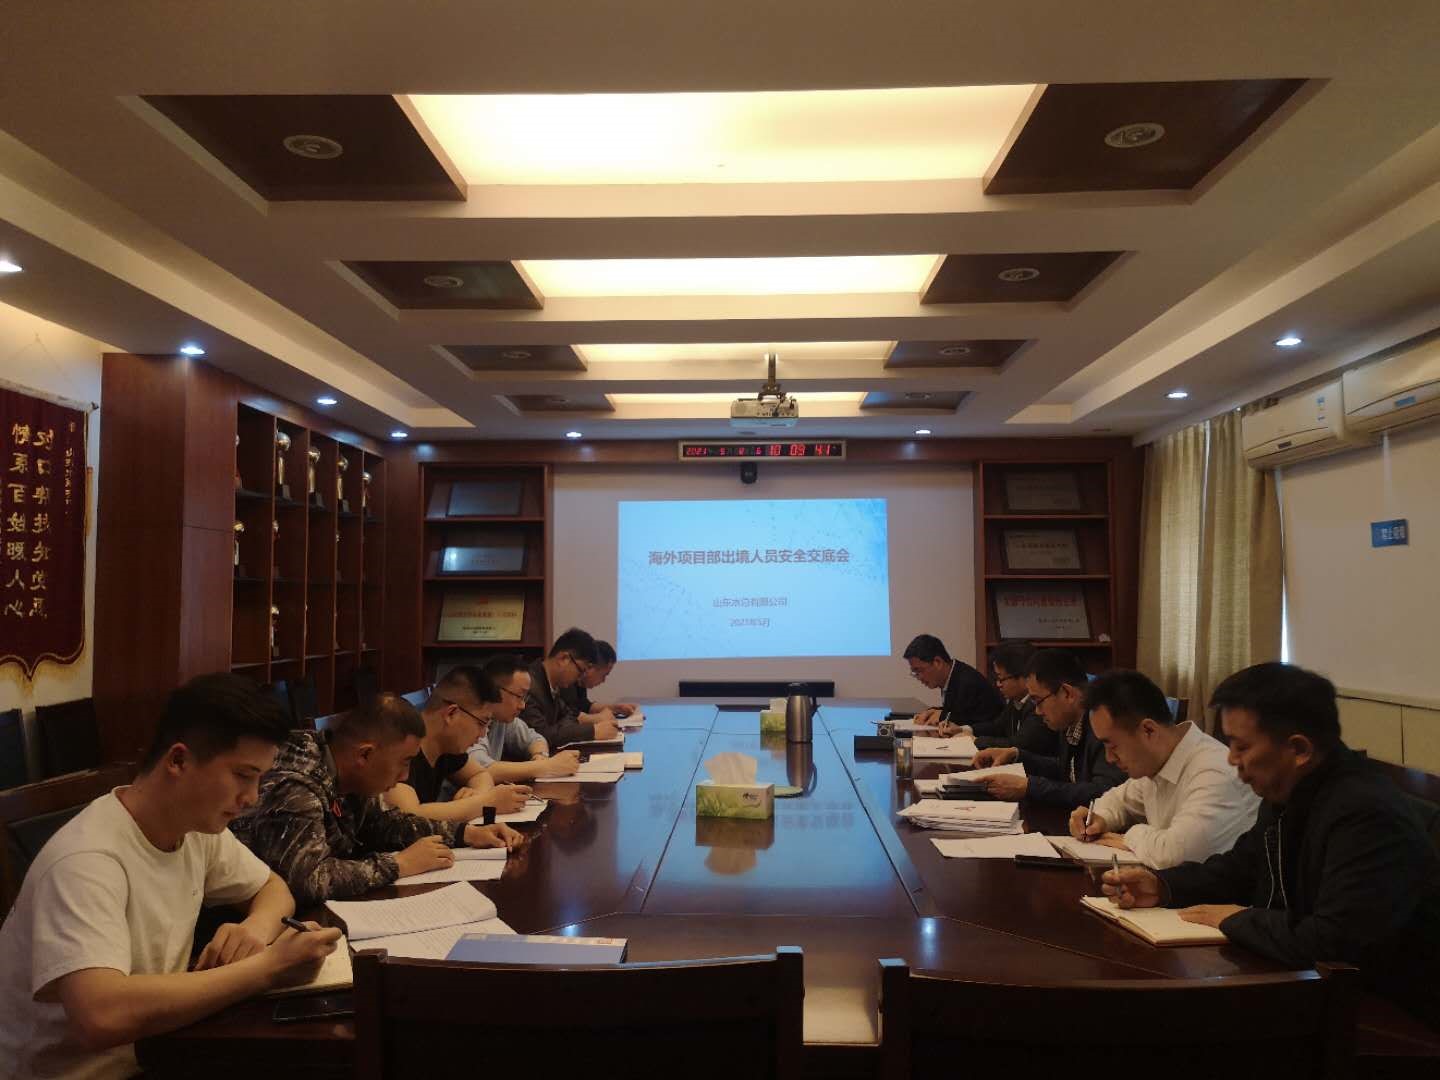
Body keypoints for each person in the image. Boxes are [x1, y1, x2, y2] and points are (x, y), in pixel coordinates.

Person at [0, 673, 342, 1080]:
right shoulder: (86, 860)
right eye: (243, 775)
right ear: (178, 761)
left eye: (259, 779)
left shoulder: (195, 828)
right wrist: (268, 968)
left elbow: (273, 888)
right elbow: (99, 1016)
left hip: (159, 1052)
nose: (252, 797)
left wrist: (255, 928)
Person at [1103, 663, 1440, 1028]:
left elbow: (1334, 942)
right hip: (1315, 991)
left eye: (1241, 746)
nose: (1231, 759)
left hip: (1389, 1018)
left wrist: (1235, 919)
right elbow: (1241, 868)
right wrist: (1163, 886)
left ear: (1298, 749)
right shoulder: (1288, 791)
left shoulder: (1366, 813)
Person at [231, 691, 522, 905]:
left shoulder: (348, 773)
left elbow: (384, 825)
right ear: (365, 754)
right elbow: (308, 880)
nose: (405, 776)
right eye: (404, 762)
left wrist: (465, 834)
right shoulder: (297, 784)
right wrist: (399, 865)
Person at [1067, 670, 1259, 868]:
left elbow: (1175, 854)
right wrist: (1098, 818)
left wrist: (1128, 836)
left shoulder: (1213, 771)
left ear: (1148, 730)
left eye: (1113, 746)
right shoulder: (1156, 762)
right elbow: (1118, 800)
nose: (1109, 758)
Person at [969, 650, 1124, 804]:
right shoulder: (1068, 721)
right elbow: (1066, 770)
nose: (1037, 711)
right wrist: (1015, 755)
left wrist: (1030, 788)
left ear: (1067, 693)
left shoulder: (1103, 726)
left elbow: (1103, 792)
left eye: (1038, 701)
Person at [383, 666, 533, 821]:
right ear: (451, 714)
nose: (483, 734)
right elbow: (409, 817)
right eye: (481, 723)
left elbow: (480, 774)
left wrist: (477, 795)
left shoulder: (446, 745)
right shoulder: (402, 745)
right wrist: (487, 802)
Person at [471, 653, 582, 782]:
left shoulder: (503, 719)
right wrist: (546, 767)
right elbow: (479, 770)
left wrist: (540, 756)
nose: (523, 706)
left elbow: (535, 739)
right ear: (495, 691)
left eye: (525, 698)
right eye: (519, 696)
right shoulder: (470, 719)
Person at [522, 627, 622, 748]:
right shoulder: (527, 685)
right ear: (564, 659)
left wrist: (563, 728)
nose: (580, 677)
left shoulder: (552, 683)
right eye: (580, 670)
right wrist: (593, 731)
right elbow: (540, 735)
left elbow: (571, 717)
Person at [902, 633, 1003, 735]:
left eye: (919, 670)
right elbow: (959, 711)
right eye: (914, 673)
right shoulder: (952, 675)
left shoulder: (968, 683)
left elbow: (977, 723)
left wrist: (942, 715)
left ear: (937, 662)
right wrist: (932, 712)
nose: (919, 677)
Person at [972, 642, 1053, 753]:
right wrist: (965, 729)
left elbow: (1017, 744)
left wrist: (975, 740)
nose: (998, 684)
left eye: (1001, 679)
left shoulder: (1038, 705)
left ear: (1023, 677)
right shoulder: (1015, 700)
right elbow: (997, 727)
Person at [559, 639, 639, 724]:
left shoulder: (580, 682)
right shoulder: (567, 680)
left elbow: (585, 706)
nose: (603, 680)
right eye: (604, 675)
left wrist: (616, 708)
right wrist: (596, 718)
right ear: (590, 667)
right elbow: (567, 716)